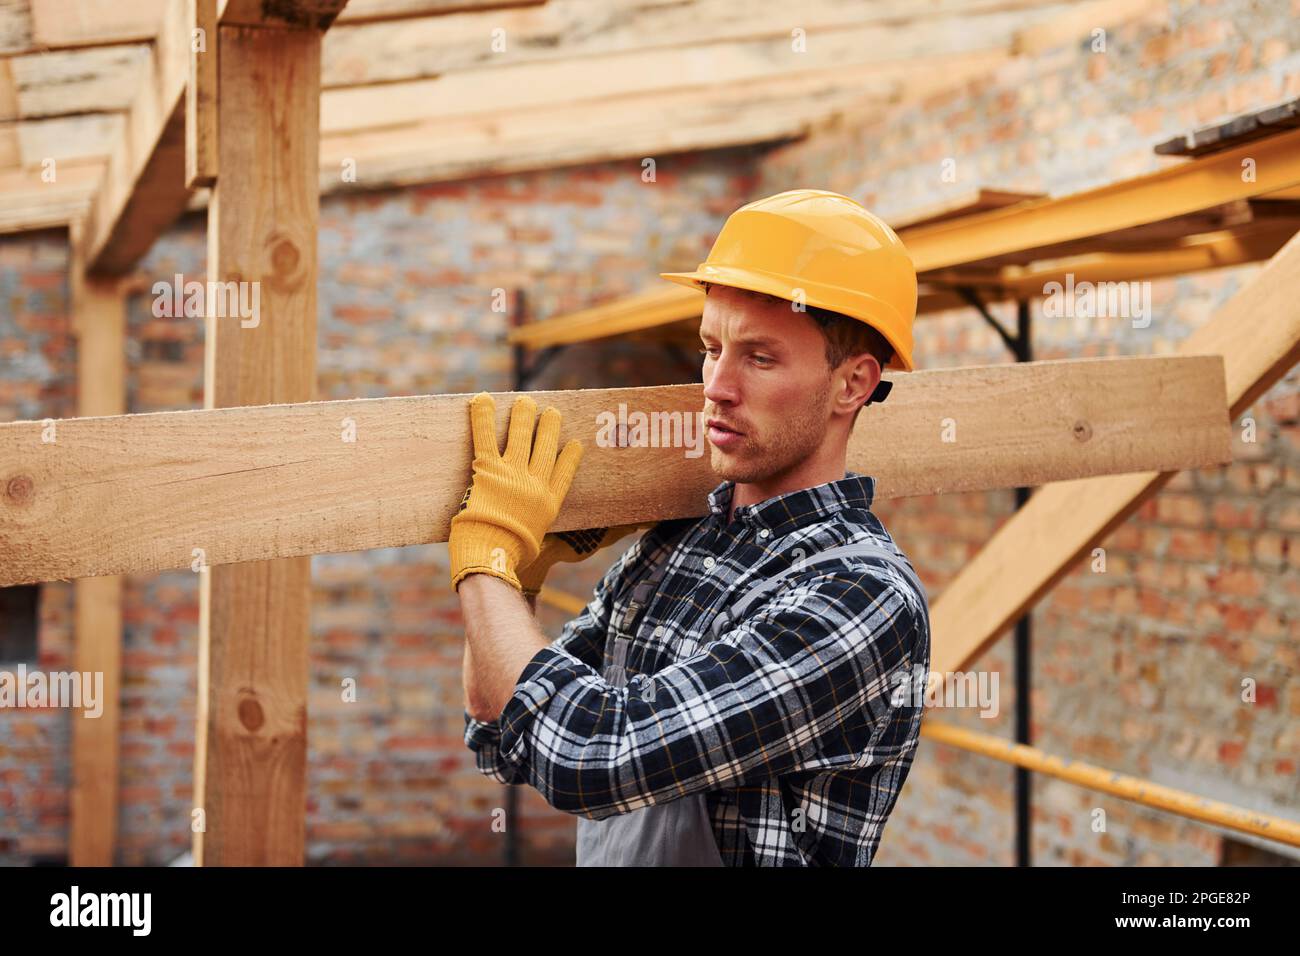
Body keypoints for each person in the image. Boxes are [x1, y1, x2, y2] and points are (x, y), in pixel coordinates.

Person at [451, 189, 930, 866]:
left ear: (852, 385)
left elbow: (592, 757)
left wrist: (484, 562)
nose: (717, 385)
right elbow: (503, 730)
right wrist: (520, 577)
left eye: (760, 359)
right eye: (712, 348)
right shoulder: (676, 545)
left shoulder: (860, 596)